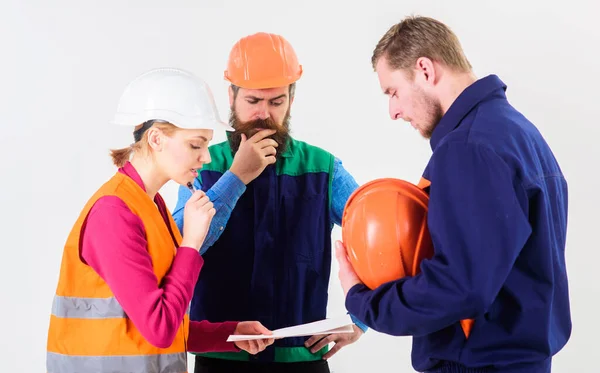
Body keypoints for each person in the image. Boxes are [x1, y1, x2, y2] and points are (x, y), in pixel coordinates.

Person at [334, 16, 571, 373]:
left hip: (479, 365)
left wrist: (364, 301)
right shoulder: (518, 132)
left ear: (425, 69)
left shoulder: (468, 147)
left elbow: (460, 287)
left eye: (393, 91)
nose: (393, 111)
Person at [45, 67, 275, 373]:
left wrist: (230, 335)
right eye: (195, 145)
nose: (205, 157)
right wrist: (191, 243)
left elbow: (159, 319)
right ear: (155, 139)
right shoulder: (114, 213)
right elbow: (160, 329)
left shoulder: (151, 206)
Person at [173, 33, 367, 373]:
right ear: (231, 96)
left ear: (291, 98)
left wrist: (363, 318)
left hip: (301, 359)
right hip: (221, 357)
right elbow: (177, 249)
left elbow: (382, 238)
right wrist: (236, 178)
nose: (263, 114)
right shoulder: (202, 167)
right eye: (252, 101)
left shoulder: (322, 168)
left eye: (276, 102)